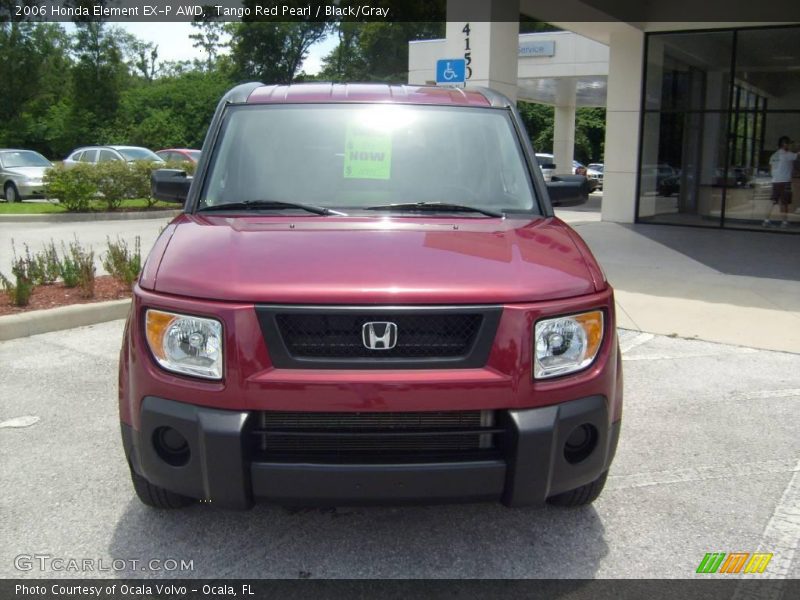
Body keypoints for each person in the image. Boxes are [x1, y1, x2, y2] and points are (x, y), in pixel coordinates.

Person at [764, 135, 798, 228]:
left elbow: (771, 169)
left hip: (775, 181)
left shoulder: (773, 155)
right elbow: (797, 155)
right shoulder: (787, 155)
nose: (790, 146)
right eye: (789, 144)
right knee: (784, 202)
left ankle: (766, 220)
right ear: (784, 144)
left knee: (772, 201)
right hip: (785, 181)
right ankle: (784, 222)